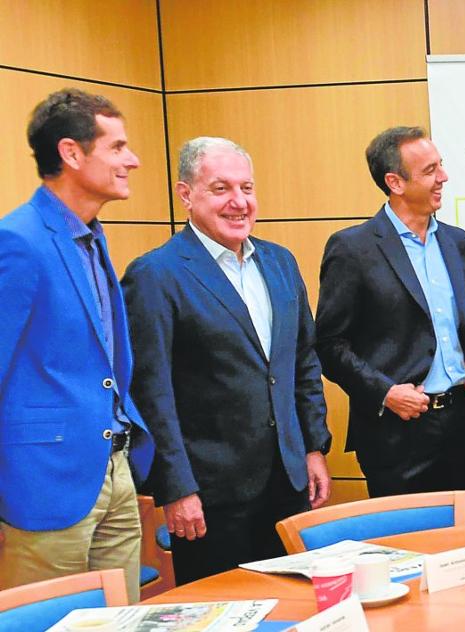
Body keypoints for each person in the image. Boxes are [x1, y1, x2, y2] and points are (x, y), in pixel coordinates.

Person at [122, 137, 332, 584]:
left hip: (287, 481)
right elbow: (150, 391)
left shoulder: (280, 262)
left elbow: (302, 363)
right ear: (186, 195)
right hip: (209, 494)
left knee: (293, 605)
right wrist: (175, 486)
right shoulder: (156, 275)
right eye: (221, 189)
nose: (239, 202)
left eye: (247, 188)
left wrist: (313, 446)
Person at [0, 88, 153, 602]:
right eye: (117, 147)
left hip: (114, 470)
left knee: (120, 616)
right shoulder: (18, 240)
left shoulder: (92, 235)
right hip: (43, 482)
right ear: (71, 153)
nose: (131, 160)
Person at [316, 126, 465, 523]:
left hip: (460, 423)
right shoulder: (353, 249)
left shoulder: (457, 242)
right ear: (395, 183)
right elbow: (329, 345)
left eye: (441, 166)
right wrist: (385, 393)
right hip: (397, 433)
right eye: (430, 170)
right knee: (407, 555)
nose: (444, 178)